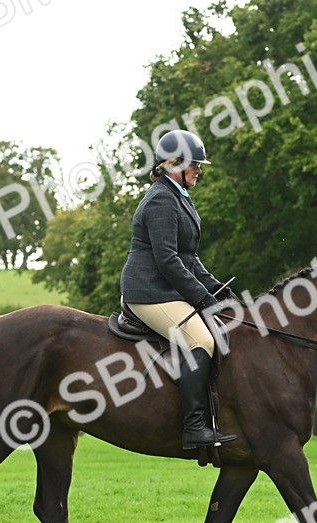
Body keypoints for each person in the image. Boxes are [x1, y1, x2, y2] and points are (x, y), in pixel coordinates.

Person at [120, 129, 237, 449]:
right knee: (201, 340)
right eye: (195, 164)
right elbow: (168, 261)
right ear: (173, 164)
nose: (200, 169)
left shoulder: (178, 197)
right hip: (149, 292)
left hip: (165, 289)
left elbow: (188, 257)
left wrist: (216, 287)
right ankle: (194, 427)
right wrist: (201, 297)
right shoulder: (160, 199)